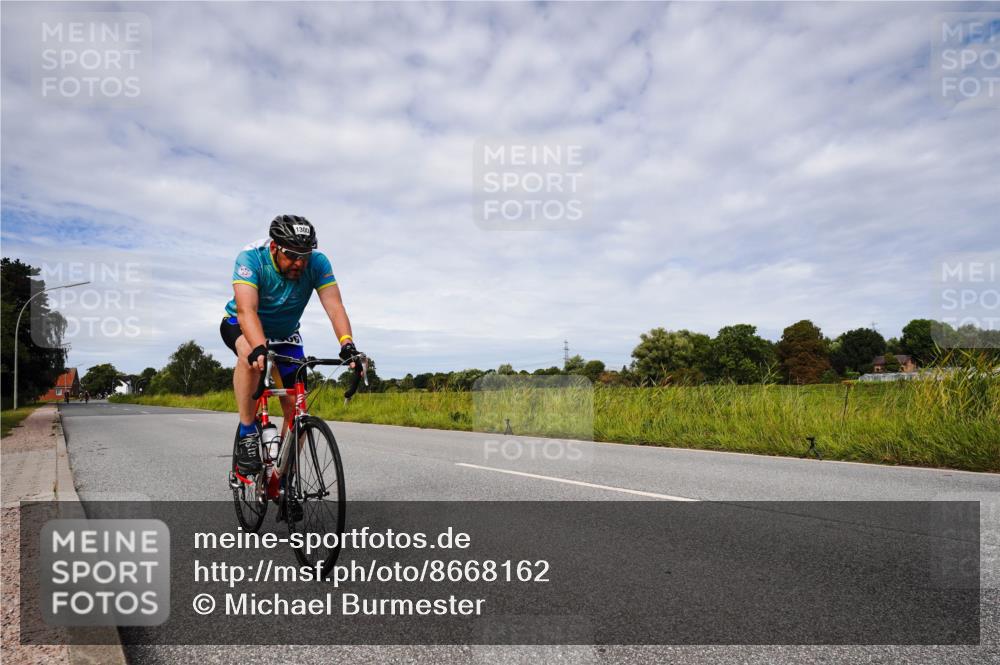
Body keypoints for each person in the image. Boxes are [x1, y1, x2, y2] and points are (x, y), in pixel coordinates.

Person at [220, 215, 361, 477]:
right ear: (275, 248)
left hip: (286, 334)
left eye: (304, 256)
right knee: (251, 357)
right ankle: (248, 431)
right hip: (242, 324)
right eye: (292, 255)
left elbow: (334, 306)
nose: (299, 263)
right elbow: (246, 310)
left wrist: (347, 344)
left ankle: (283, 478)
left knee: (296, 410)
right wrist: (260, 347)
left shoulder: (317, 263)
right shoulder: (251, 258)